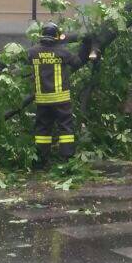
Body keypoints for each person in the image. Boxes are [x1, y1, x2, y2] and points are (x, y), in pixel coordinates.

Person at [29, 23, 93, 171]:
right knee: (65, 129)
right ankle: (67, 159)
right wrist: (86, 44)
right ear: (56, 37)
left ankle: (41, 160)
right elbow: (78, 61)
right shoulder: (62, 52)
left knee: (42, 130)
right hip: (60, 100)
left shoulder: (32, 52)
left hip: (42, 100)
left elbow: (23, 59)